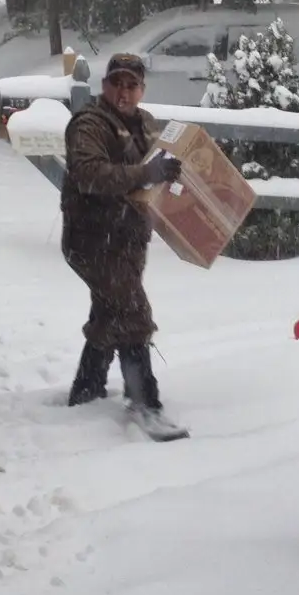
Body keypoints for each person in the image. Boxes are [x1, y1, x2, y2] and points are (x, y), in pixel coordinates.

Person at [61, 53, 185, 429]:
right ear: (105, 86)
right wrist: (146, 171)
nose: (123, 92)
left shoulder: (145, 122)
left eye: (132, 85)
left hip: (128, 237)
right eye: (117, 83)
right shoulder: (89, 124)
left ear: (142, 89)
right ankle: (144, 399)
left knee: (110, 312)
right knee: (132, 313)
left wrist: (169, 169)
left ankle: (87, 389)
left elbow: (156, 165)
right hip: (93, 238)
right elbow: (89, 174)